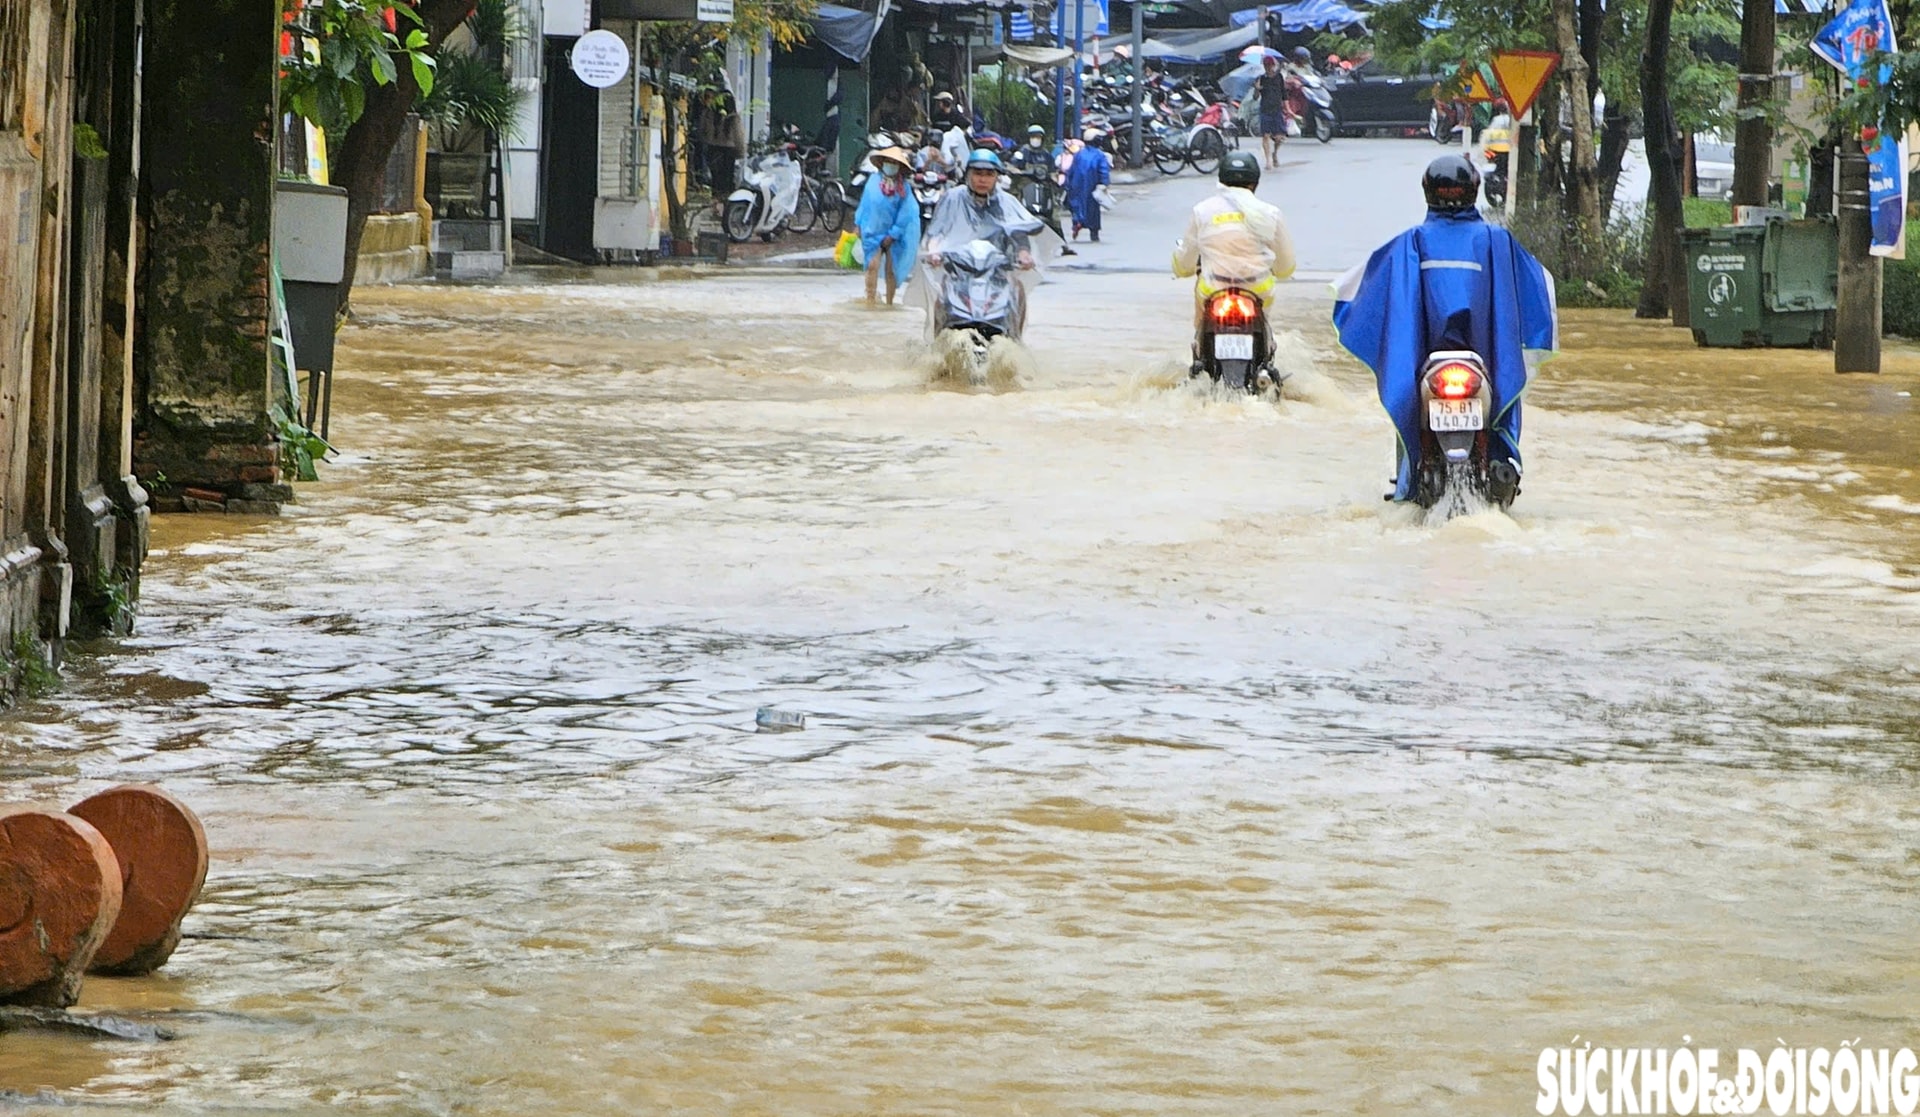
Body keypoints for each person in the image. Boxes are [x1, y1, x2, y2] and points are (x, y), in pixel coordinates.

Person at [1332, 154, 1558, 505]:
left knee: (1406, 396)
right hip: (1481, 360)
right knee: (1500, 404)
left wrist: (1340, 296)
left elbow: (1362, 290)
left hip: (1429, 362)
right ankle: (1500, 464)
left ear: (1428, 192)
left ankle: (1409, 478)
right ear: (1474, 191)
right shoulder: (1496, 241)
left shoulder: (1411, 242)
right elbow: (1539, 287)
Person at [1171, 150, 1296, 383]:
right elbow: (1286, 266)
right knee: (1266, 314)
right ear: (1255, 183)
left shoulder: (1202, 211)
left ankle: (1199, 353)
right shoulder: (1270, 213)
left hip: (1213, 290)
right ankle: (1267, 357)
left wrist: (1181, 269)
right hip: (1257, 290)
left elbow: (1185, 260)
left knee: (1199, 297)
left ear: (1221, 180)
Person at [922, 149, 1043, 334]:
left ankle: (1015, 340)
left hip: (997, 270)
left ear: (997, 177)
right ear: (968, 174)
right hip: (959, 269)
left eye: (989, 174)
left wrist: (1024, 255)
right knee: (942, 294)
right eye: (978, 173)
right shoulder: (952, 197)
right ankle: (938, 341)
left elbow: (1019, 235)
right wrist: (934, 252)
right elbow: (936, 231)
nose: (982, 179)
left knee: (1017, 290)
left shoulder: (1006, 202)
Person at [853, 145, 920, 306]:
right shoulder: (873, 181)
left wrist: (893, 234)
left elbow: (906, 214)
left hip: (892, 235)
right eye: (888, 161)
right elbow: (864, 204)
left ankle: (889, 303)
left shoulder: (904, 189)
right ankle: (870, 300)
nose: (890, 165)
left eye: (894, 163)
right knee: (872, 266)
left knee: (891, 271)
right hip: (872, 231)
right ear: (882, 163)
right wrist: (858, 224)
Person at [1063, 128, 1112, 243]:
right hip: (1092, 184)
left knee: (1077, 205)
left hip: (1077, 184)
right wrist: (1104, 183)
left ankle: (1077, 222)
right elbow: (1103, 170)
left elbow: (1071, 170)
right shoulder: (1100, 155)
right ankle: (1093, 232)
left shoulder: (1079, 153)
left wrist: (1068, 184)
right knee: (1093, 209)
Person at [699, 92, 745, 203]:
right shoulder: (734, 117)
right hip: (729, 151)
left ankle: (715, 202)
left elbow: (702, 130)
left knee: (715, 179)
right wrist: (741, 152)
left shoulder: (708, 113)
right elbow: (739, 136)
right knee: (727, 179)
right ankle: (725, 205)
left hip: (712, 148)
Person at [1257, 55, 1289, 169]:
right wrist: (1257, 89)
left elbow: (1284, 94)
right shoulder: (1261, 78)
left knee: (1279, 137)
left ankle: (1274, 153)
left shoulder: (1279, 77)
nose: (1268, 68)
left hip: (1277, 109)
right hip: (1265, 109)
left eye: (1270, 65)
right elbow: (1255, 97)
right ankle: (1268, 161)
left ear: (1273, 65)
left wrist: (1288, 109)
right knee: (1265, 136)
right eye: (1266, 65)